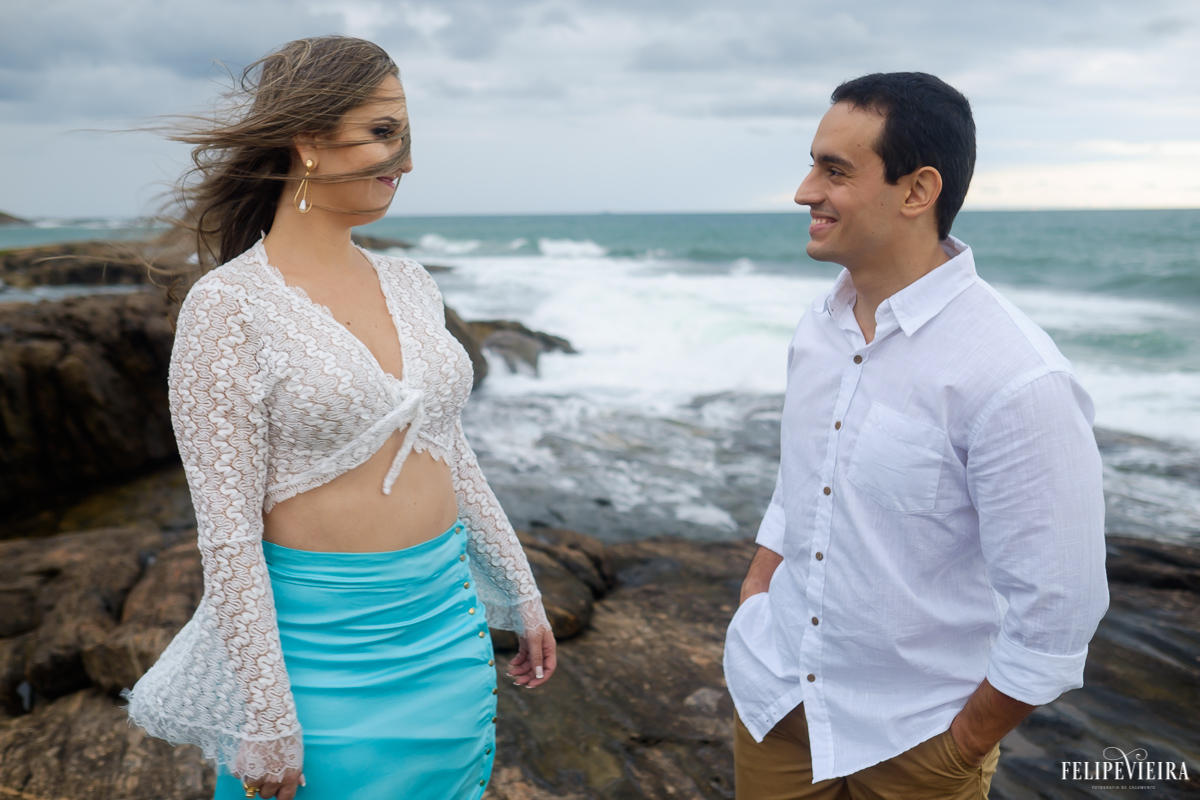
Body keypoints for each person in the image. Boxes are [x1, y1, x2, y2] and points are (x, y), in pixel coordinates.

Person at [124, 36, 556, 800]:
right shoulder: (228, 308)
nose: (407, 160)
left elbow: (449, 453)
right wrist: (263, 712)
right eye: (385, 133)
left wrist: (519, 590)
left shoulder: (411, 282)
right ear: (309, 142)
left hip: (445, 631)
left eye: (406, 134)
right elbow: (226, 535)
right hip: (318, 652)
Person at [723, 72, 1108, 799]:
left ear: (916, 190)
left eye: (834, 171)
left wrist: (961, 746)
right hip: (776, 701)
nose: (805, 191)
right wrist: (758, 586)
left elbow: (1060, 604)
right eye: (813, 164)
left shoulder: (1016, 377)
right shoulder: (818, 328)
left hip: (914, 742)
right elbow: (804, 475)